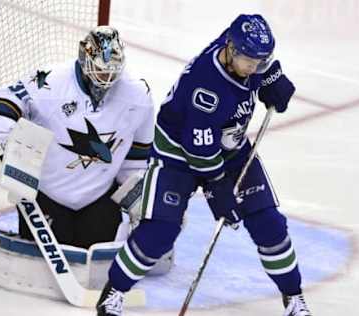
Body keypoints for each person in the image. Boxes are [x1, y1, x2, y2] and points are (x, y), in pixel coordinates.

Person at [96, 14, 313, 316]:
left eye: (261, 61)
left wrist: (272, 77)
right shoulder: (205, 88)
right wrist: (219, 191)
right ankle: (113, 292)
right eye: (251, 62)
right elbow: (198, 151)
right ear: (232, 50)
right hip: (178, 154)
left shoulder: (238, 45)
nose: (255, 68)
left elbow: (262, 65)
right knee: (160, 231)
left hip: (229, 147)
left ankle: (293, 299)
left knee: (269, 224)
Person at [0, 26, 155, 249]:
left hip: (98, 199)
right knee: (40, 260)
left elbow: (136, 156)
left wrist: (141, 200)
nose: (106, 78)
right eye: (100, 70)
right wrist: (9, 144)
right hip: (47, 197)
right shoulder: (48, 82)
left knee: (95, 257)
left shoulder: (138, 95)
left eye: (112, 71)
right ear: (84, 58)